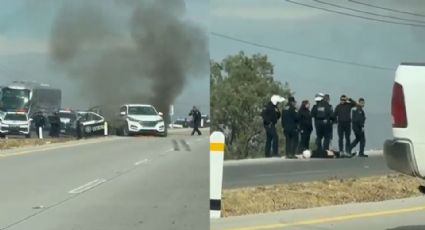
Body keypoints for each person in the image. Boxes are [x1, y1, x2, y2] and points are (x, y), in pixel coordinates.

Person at [311, 93, 333, 157]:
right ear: (328, 99)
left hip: (317, 123)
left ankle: (319, 150)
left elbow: (312, 114)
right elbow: (332, 115)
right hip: (326, 123)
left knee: (319, 137)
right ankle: (325, 151)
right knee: (326, 137)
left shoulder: (316, 106)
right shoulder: (328, 106)